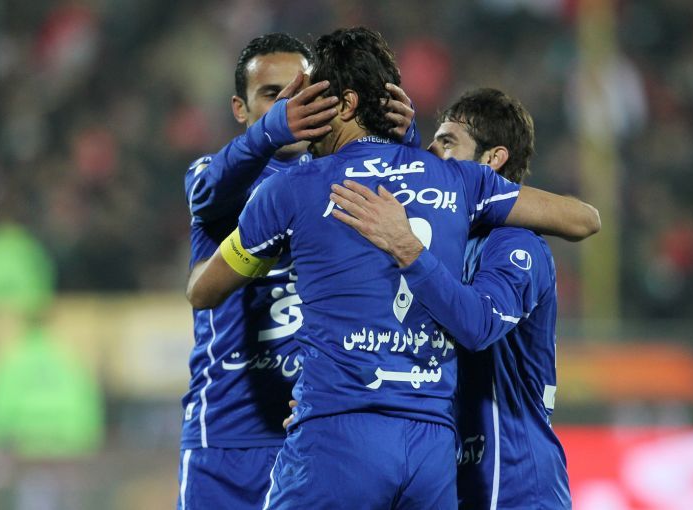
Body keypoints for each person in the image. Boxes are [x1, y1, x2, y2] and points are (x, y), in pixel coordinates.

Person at [187, 27, 597, 509]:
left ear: (345, 105)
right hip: (431, 450)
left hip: (337, 436)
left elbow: (203, 291)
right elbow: (583, 219)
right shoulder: (457, 179)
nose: (300, 116)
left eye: (313, 100)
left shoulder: (292, 188)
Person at [179, 32, 418, 510]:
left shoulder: (346, 177)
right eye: (273, 95)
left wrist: (401, 141)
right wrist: (270, 133)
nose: (292, 104)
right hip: (227, 435)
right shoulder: (218, 175)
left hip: (321, 429)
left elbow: (421, 202)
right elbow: (205, 194)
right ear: (240, 109)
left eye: (304, 90)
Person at [331, 88, 572, 508]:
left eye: (447, 143)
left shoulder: (516, 244)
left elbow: (477, 325)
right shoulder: (453, 241)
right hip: (454, 471)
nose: (431, 154)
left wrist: (407, 248)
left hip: (513, 481)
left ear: (492, 159)